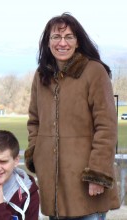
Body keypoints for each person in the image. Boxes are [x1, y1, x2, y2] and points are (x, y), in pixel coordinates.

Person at [24, 12, 120, 219]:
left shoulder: (94, 71)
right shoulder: (42, 76)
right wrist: (36, 154)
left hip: (86, 184)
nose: (62, 43)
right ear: (47, 42)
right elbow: (34, 121)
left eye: (69, 37)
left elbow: (106, 126)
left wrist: (97, 174)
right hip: (53, 185)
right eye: (56, 37)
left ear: (78, 42)